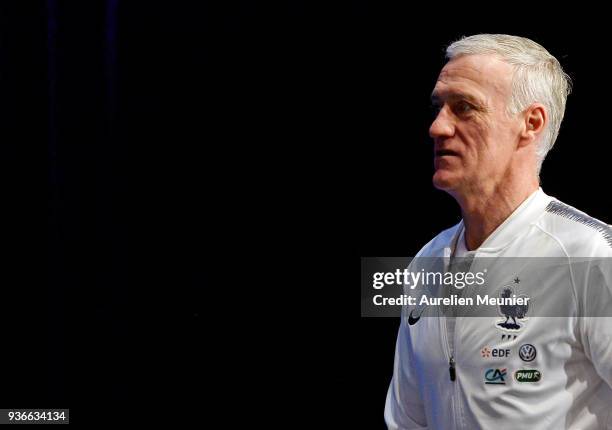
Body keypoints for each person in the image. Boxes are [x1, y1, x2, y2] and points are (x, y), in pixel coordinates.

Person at [384, 34, 612, 429]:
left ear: (530, 123)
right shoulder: (425, 263)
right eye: (439, 107)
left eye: (464, 108)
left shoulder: (589, 252)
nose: (437, 128)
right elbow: (408, 420)